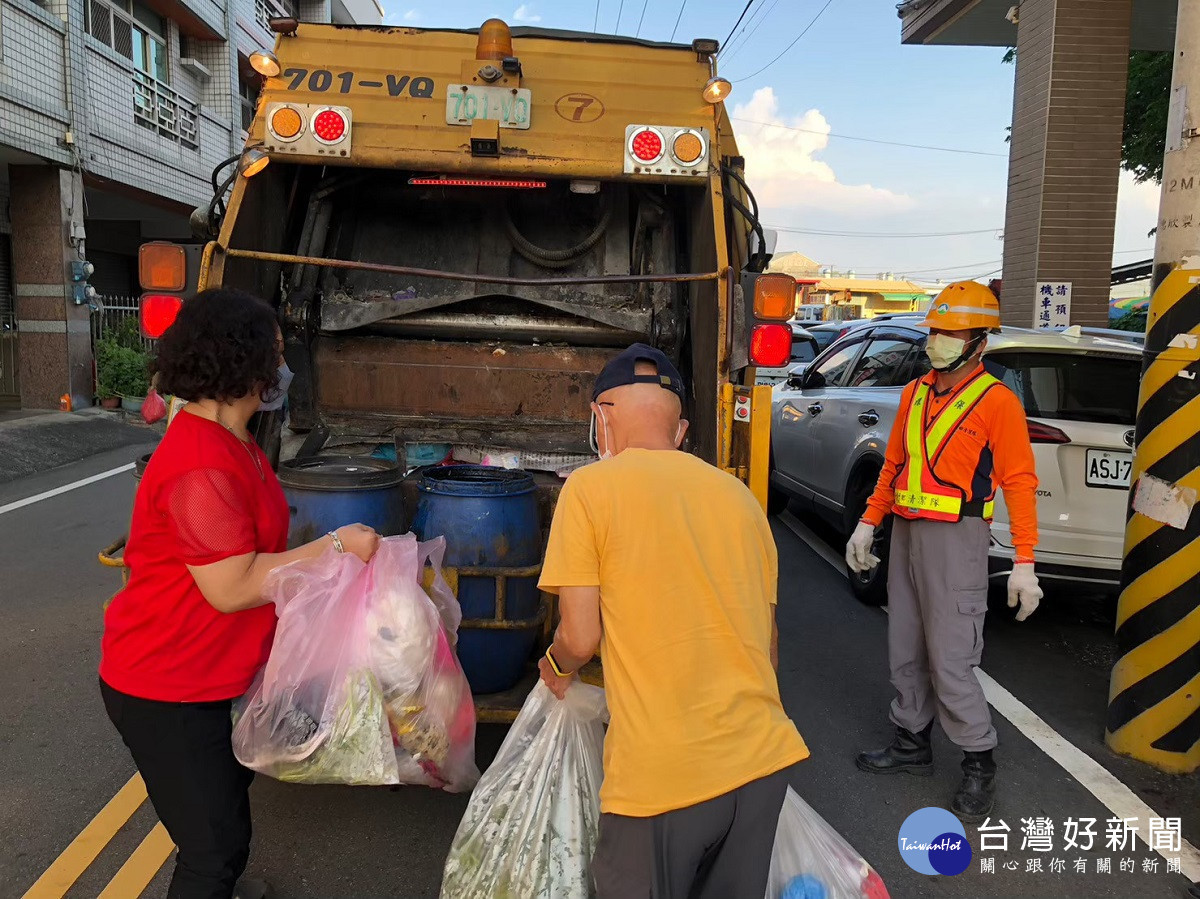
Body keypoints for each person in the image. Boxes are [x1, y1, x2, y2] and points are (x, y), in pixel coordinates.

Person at [99, 288, 380, 899]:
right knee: (211, 850)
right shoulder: (201, 463)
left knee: (226, 812)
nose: (284, 369)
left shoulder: (239, 442)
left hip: (209, 675)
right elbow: (233, 587)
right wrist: (333, 547)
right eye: (275, 354)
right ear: (240, 361)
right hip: (166, 685)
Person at [536, 343, 809, 899]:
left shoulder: (589, 491)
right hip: (761, 763)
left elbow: (580, 637)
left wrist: (554, 666)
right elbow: (768, 642)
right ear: (680, 430)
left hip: (662, 780)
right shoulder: (740, 499)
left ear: (600, 418)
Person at [845, 281, 1042, 824]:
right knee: (904, 642)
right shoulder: (914, 393)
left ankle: (979, 762)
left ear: (979, 342)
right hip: (905, 531)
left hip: (957, 540)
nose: (939, 342)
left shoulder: (997, 402)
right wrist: (868, 522)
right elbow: (894, 466)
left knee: (951, 655)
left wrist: (1024, 561)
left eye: (951, 334)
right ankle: (911, 744)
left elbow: (1020, 481)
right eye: (935, 332)